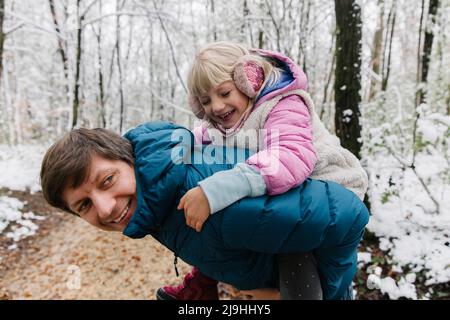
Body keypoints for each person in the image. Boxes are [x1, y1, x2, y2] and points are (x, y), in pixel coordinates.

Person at [40, 121, 369, 300]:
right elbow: (223, 238)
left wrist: (314, 293)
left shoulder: (217, 205)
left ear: (129, 159)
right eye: (84, 204)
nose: (106, 207)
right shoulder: (159, 199)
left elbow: (349, 214)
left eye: (107, 180)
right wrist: (204, 279)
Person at [161, 41, 369, 300]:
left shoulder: (283, 105)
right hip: (286, 189)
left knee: (295, 251)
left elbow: (289, 157)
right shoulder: (223, 124)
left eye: (224, 93)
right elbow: (195, 140)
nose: (215, 106)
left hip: (329, 188)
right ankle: (203, 283)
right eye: (205, 100)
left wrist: (217, 189)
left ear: (250, 79)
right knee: (222, 214)